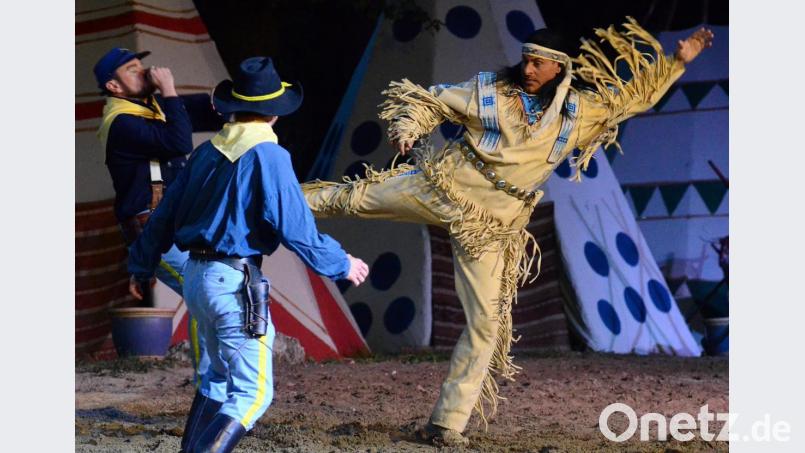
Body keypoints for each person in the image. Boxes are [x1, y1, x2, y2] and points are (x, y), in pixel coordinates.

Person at [302, 18, 714, 446]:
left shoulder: (576, 114)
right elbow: (434, 101)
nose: (529, 69)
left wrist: (674, 62)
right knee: (350, 198)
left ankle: (447, 424)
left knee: (488, 325)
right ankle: (267, 199)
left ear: (559, 69)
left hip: (490, 226)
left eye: (538, 63)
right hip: (445, 187)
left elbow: (630, 100)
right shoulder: (491, 93)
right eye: (526, 60)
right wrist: (408, 127)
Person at [127, 56, 370, 453]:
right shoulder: (269, 156)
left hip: (198, 279)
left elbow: (164, 216)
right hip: (231, 282)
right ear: (274, 114)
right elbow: (294, 227)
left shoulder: (206, 153)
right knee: (252, 396)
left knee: (217, 380)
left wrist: (140, 266)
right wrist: (341, 262)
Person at [94, 47, 217, 384]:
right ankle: (208, 385)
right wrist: (170, 90)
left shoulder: (151, 110)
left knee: (208, 293)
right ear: (115, 87)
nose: (144, 71)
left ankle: (213, 384)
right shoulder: (122, 122)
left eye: (141, 65)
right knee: (204, 294)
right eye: (132, 70)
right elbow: (179, 142)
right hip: (151, 231)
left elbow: (210, 111)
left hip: (173, 225)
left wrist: (250, 99)